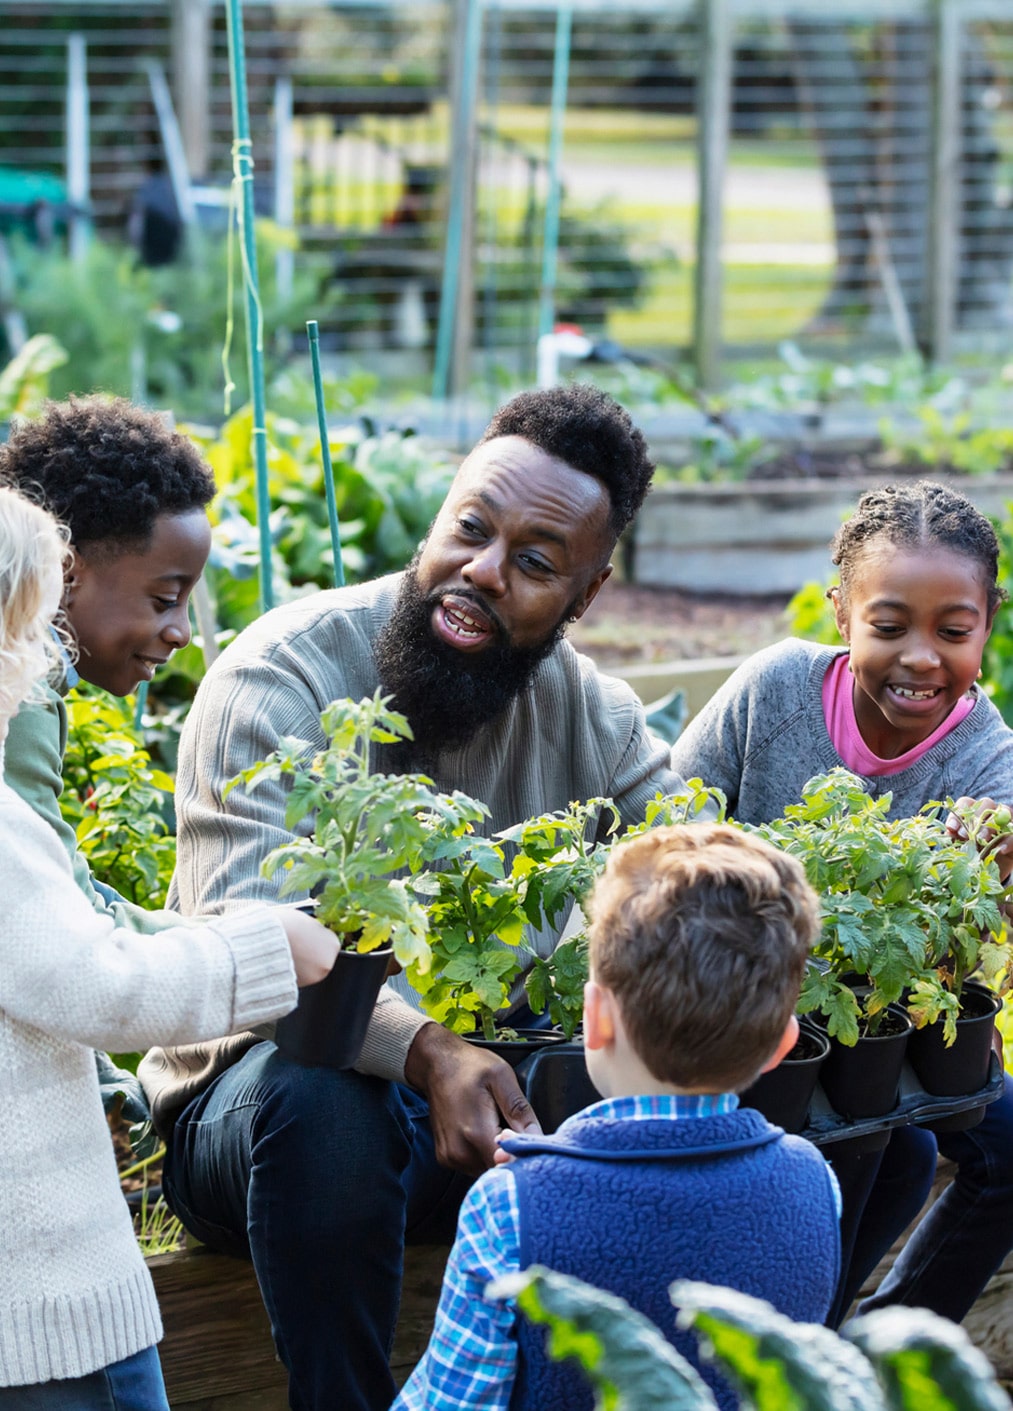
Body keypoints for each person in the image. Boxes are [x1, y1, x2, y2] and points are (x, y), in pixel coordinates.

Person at [138, 383, 701, 1411]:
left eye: (533, 564)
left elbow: (697, 887)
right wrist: (427, 1049)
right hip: (251, 1117)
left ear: (584, 597)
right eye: (469, 530)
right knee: (321, 1092)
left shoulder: (596, 721)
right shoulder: (279, 677)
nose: (479, 574)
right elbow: (252, 960)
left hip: (487, 1113)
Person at [0, 484, 340, 1411]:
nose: (43, 671)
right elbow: (91, 978)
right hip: (46, 1314)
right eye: (33, 634)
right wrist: (261, 946)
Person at [671, 478, 1013, 1327]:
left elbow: (968, 949)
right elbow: (663, 830)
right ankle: (793, 1342)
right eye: (888, 626)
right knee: (890, 1149)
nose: (920, 657)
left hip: (883, 1028)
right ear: (841, 613)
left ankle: (876, 1340)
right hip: (731, 1011)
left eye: (953, 630)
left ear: (988, 622)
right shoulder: (772, 693)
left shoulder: (986, 765)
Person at [393, 823, 842, 1411]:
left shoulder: (505, 1208)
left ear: (594, 1017)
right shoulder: (817, 1182)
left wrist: (531, 1192)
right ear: (782, 1045)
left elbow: (451, 1402)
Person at [0, 394, 214, 931]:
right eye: (165, 599)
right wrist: (238, 947)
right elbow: (62, 919)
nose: (183, 633)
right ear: (66, 574)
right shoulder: (18, 694)